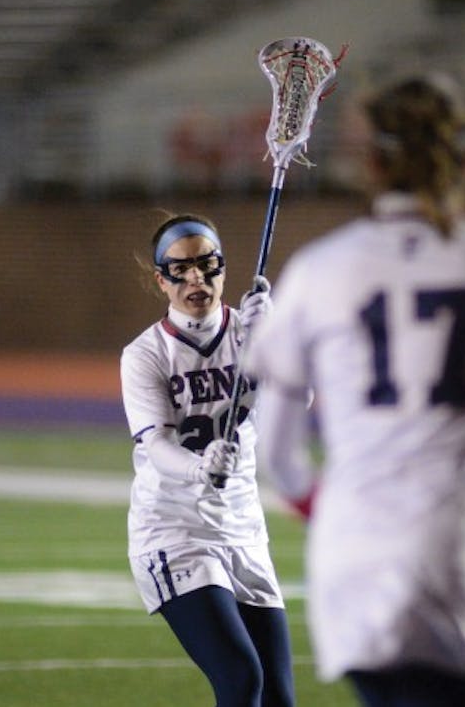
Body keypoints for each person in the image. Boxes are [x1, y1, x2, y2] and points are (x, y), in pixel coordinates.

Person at [244, 72, 465, 707]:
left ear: (373, 164)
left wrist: (322, 510)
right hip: (462, 559)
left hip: (354, 560)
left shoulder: (316, 271)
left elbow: (278, 456)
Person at [121, 212, 296, 707]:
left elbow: (298, 402)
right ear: (161, 280)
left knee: (279, 697)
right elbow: (155, 445)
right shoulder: (146, 354)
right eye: (180, 269)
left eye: (207, 265)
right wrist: (198, 467)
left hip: (243, 528)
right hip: (174, 530)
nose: (196, 278)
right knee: (241, 680)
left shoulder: (250, 334)